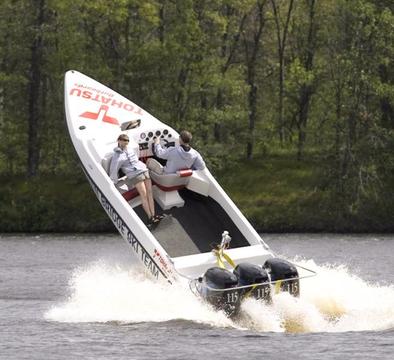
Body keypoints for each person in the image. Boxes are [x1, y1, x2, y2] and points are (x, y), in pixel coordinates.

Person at [110, 134, 162, 225]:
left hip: (143, 170)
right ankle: (150, 217)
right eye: (124, 143)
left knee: (150, 192)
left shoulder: (130, 149)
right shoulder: (116, 155)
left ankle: (154, 215)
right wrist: (113, 182)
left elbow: (136, 159)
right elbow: (114, 169)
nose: (125, 145)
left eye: (126, 143)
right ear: (118, 141)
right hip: (135, 174)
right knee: (144, 194)